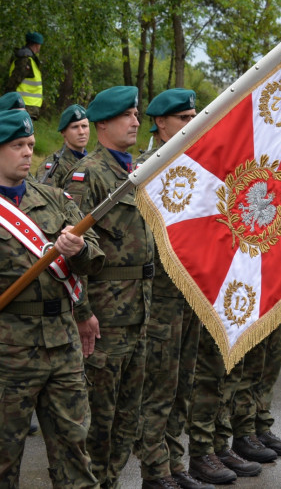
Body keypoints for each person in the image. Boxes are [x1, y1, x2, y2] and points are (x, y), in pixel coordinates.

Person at [0, 109, 104, 487]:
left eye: (30, 145)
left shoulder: (54, 197)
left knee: (75, 452)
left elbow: (95, 259)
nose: (28, 152)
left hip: (62, 344)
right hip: (9, 350)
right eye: (17, 146)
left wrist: (77, 251)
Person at [61, 86, 158, 488]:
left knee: (126, 419)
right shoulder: (89, 175)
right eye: (128, 115)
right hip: (104, 318)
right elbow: (69, 250)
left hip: (138, 312)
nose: (136, 122)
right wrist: (82, 313)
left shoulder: (134, 171)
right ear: (104, 123)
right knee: (98, 420)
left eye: (136, 115)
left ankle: (111, 481)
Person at [132, 88, 214, 489]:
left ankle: (175, 462)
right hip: (161, 297)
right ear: (161, 124)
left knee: (184, 383)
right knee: (160, 386)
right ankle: (155, 469)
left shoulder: (201, 168)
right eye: (184, 119)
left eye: (195, 117)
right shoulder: (146, 171)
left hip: (192, 293)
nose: (192, 125)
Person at [36, 104, 89, 186]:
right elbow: (44, 195)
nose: (81, 132)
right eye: (75, 127)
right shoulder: (54, 165)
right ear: (63, 132)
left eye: (84, 126)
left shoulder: (91, 161)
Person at [5, 32, 44, 118]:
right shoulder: (25, 59)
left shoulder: (29, 59)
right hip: (23, 105)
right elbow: (14, 80)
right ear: (36, 45)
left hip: (27, 105)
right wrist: (8, 100)